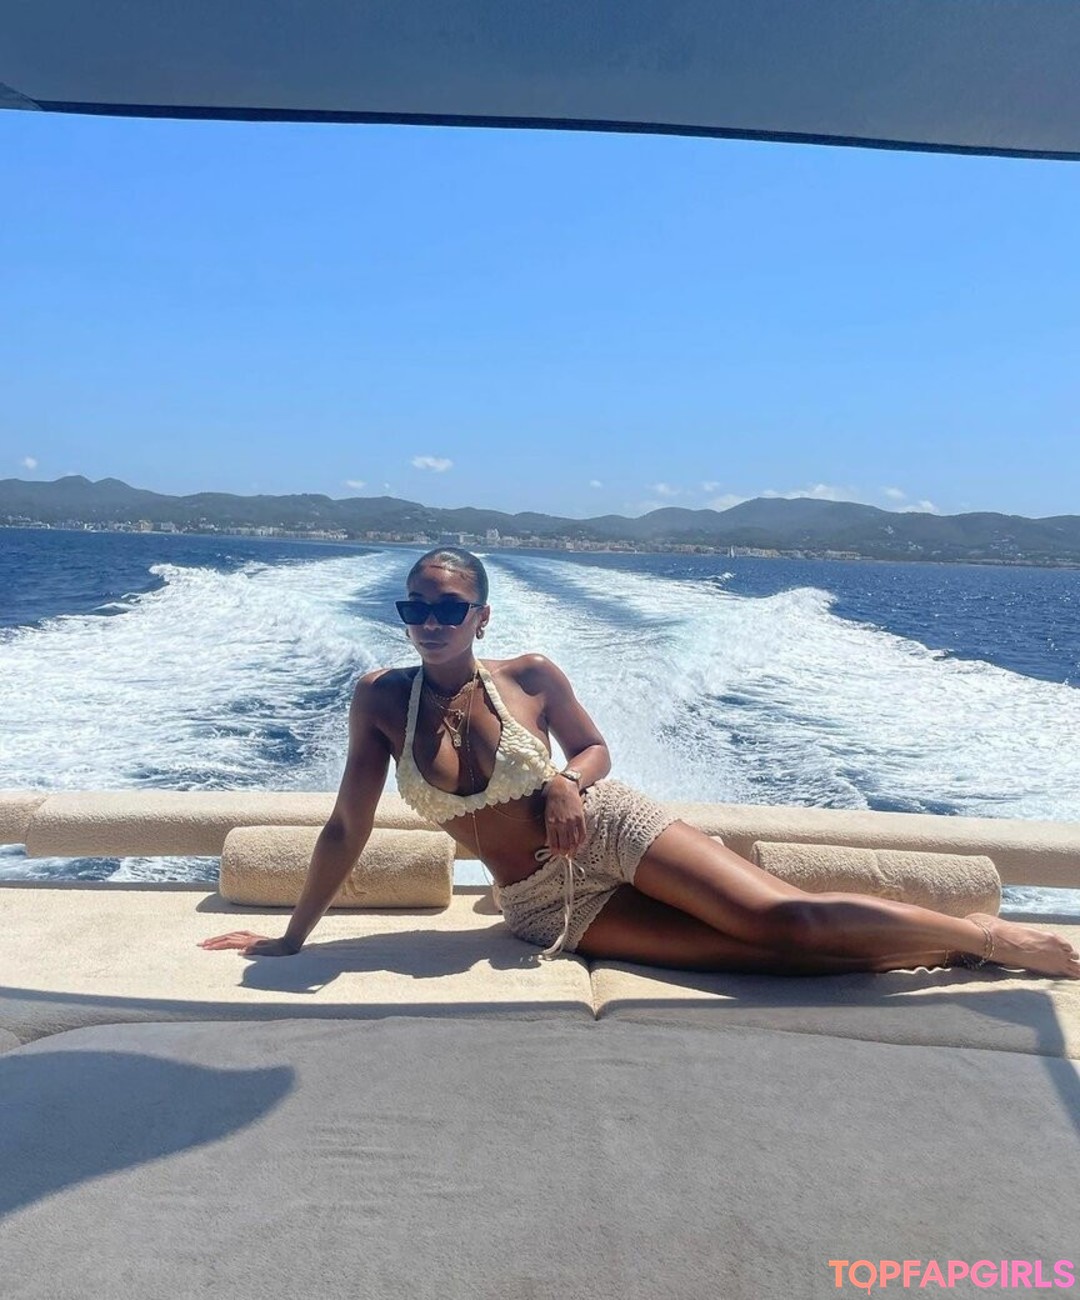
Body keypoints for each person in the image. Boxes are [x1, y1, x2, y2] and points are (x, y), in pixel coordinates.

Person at [201, 547, 1080, 979]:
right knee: (766, 961)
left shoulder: (531, 675)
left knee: (784, 922)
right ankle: (936, 948)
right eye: (415, 608)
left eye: (449, 607)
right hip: (541, 901)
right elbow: (346, 827)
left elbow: (593, 749)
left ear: (480, 616)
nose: (430, 621)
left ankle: (987, 938)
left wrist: (568, 782)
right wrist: (291, 938)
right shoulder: (380, 700)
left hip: (614, 829)